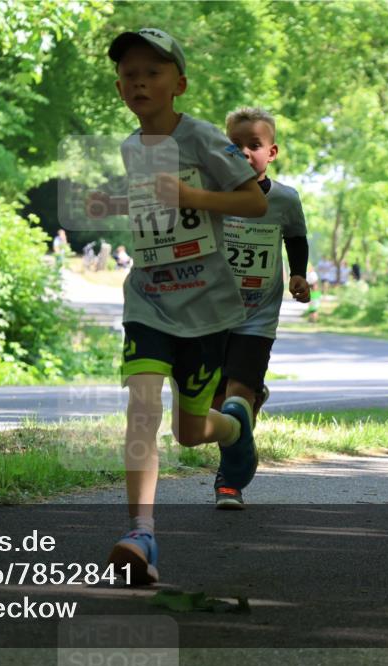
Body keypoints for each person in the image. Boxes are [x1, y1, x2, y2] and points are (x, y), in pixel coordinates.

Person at [87, 28, 267, 584]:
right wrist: (115, 203)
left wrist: (192, 197)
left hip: (207, 308)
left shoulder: (204, 138)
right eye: (129, 74)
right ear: (119, 87)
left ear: (179, 84)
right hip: (148, 300)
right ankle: (141, 532)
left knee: (191, 432)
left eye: (153, 72)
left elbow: (254, 201)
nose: (139, 81)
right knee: (143, 407)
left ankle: (234, 427)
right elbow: (153, 214)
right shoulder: (128, 147)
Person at [210, 106, 311, 508]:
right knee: (215, 405)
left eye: (254, 145)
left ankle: (229, 480)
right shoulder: (213, 194)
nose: (245, 153)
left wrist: (299, 275)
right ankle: (252, 404)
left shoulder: (285, 199)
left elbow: (297, 238)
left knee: (237, 397)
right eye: (235, 146)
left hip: (257, 318)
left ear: (272, 152)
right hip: (211, 316)